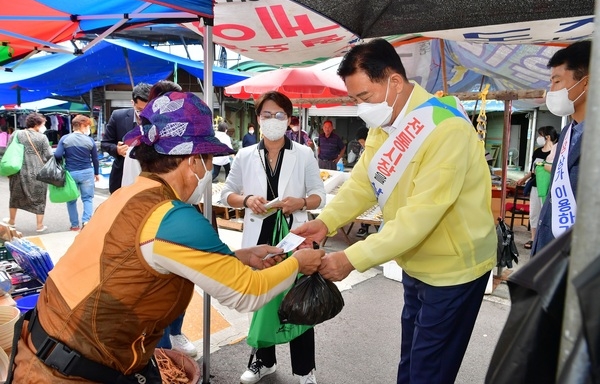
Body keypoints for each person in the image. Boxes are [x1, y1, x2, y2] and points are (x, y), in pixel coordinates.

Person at [8, 91, 324, 383]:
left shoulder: (127, 195)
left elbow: (151, 259)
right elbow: (247, 293)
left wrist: (242, 256)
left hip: (43, 349)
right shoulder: (174, 217)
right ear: (192, 161)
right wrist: (298, 262)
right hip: (70, 372)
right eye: (209, 160)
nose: (209, 170)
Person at [293, 38, 496, 384]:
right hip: (415, 263)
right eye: (354, 99)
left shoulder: (446, 130)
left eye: (364, 97)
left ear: (395, 82)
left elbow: (419, 217)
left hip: (453, 270)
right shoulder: (384, 124)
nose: (360, 108)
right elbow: (363, 183)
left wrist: (351, 258)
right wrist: (326, 222)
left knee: (429, 367)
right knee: (412, 357)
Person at [220, 91, 325, 384]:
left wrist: (301, 203)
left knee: (298, 303)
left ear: (289, 120)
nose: (273, 120)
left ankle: (305, 370)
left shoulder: (303, 154)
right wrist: (247, 199)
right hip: (259, 239)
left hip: (295, 238)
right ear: (258, 119)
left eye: (279, 115)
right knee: (262, 301)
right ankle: (263, 363)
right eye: (266, 115)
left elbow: (320, 195)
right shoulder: (244, 155)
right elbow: (226, 193)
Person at [120, 80, 198, 358]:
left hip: (181, 225)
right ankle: (162, 355)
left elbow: (197, 189)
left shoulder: (190, 143)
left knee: (180, 285)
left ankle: (175, 334)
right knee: (157, 295)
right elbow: (131, 193)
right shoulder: (141, 146)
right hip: (151, 230)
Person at [531, 40, 590, 256]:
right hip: (549, 253)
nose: (551, 91)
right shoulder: (567, 133)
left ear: (587, 82)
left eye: (557, 82)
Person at [3, 113, 53, 233]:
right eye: (43, 124)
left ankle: (12, 221)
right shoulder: (42, 138)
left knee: (15, 197)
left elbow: (9, 149)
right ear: (37, 124)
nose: (44, 126)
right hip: (38, 173)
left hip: (18, 171)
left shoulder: (16, 134)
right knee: (39, 199)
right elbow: (48, 155)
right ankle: (39, 226)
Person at [101, 82, 151, 193]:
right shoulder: (118, 116)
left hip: (150, 177)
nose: (144, 114)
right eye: (140, 110)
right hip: (123, 175)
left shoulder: (160, 120)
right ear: (132, 103)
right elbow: (105, 143)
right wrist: (117, 150)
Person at [53, 115, 100, 231]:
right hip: (87, 173)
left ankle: (74, 225)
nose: (88, 128)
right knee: (87, 198)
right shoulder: (89, 140)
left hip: (71, 173)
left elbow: (57, 155)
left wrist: (66, 156)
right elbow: (95, 159)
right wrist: (96, 173)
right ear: (83, 125)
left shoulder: (65, 139)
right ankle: (86, 222)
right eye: (88, 126)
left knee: (71, 199)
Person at [515, 126, 558, 249]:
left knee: (546, 213)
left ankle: (544, 239)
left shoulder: (555, 152)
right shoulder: (537, 151)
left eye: (540, 135)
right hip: (535, 186)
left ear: (547, 137)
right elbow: (533, 170)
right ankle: (533, 238)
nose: (539, 138)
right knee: (534, 212)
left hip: (548, 187)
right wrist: (524, 179)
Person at [346, 126, 371, 237]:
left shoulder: (374, 149)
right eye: (360, 142)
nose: (362, 144)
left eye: (362, 142)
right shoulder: (363, 149)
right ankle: (363, 226)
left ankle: (366, 226)